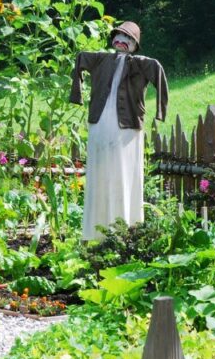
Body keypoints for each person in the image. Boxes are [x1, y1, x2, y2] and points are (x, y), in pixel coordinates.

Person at [69, 21, 168, 241]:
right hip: (99, 125)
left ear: (135, 44)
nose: (121, 42)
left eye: (128, 39)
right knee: (99, 175)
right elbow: (79, 59)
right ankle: (96, 234)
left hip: (127, 130)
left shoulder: (141, 64)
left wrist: (161, 112)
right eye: (118, 37)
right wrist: (76, 95)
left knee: (124, 175)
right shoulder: (101, 60)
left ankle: (124, 232)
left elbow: (158, 71)